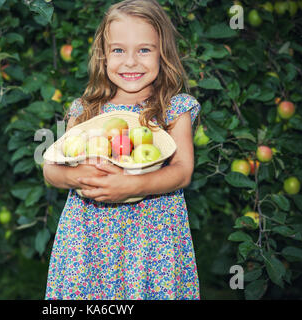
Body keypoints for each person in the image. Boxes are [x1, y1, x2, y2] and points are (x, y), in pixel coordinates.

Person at [43, 0, 201, 300]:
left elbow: (182, 171)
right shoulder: (84, 111)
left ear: (162, 53)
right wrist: (79, 176)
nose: (130, 62)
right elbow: (51, 169)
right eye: (118, 50)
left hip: (152, 240)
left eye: (144, 50)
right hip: (88, 240)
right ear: (103, 57)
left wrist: (132, 185)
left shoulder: (173, 108)